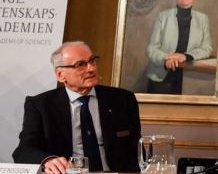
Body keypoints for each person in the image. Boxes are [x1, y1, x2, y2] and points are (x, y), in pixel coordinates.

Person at [13, 41, 141, 173]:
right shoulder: (41, 105)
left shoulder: (123, 99)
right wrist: (48, 160)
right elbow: (24, 151)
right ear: (60, 75)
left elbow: (135, 148)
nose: (91, 68)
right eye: (80, 65)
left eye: (92, 61)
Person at [146, 0, 213, 94]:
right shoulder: (163, 17)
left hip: (191, 77)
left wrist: (185, 56)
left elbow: (207, 48)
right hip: (162, 75)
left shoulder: (203, 19)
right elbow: (152, 48)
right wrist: (167, 58)